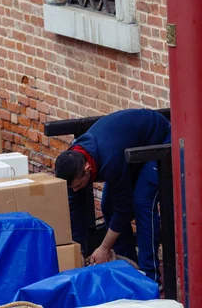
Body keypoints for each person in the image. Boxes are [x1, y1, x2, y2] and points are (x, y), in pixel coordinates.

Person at [54, 108, 171, 284]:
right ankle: (129, 266)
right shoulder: (73, 162)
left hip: (159, 138)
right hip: (130, 147)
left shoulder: (109, 160)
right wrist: (79, 251)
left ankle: (150, 276)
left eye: (78, 186)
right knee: (107, 206)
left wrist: (104, 248)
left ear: (88, 170)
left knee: (142, 203)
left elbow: (123, 208)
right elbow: (75, 209)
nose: (75, 190)